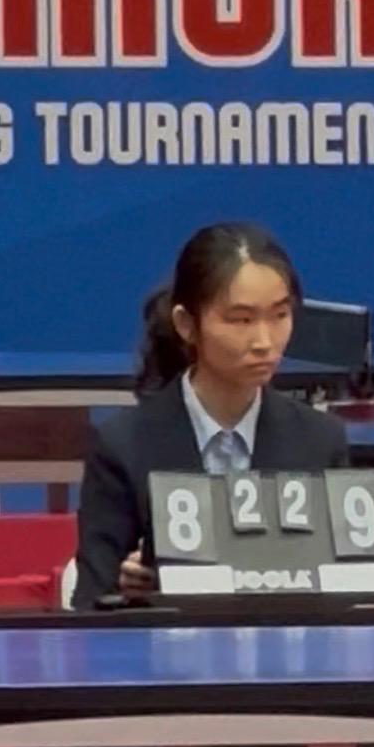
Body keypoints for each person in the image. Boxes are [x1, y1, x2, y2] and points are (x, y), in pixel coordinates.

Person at [72, 221, 349, 608]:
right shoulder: (122, 447)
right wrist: (131, 595)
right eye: (241, 320)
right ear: (187, 324)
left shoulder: (320, 442)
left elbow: (347, 592)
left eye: (280, 315)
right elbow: (90, 603)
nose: (265, 341)